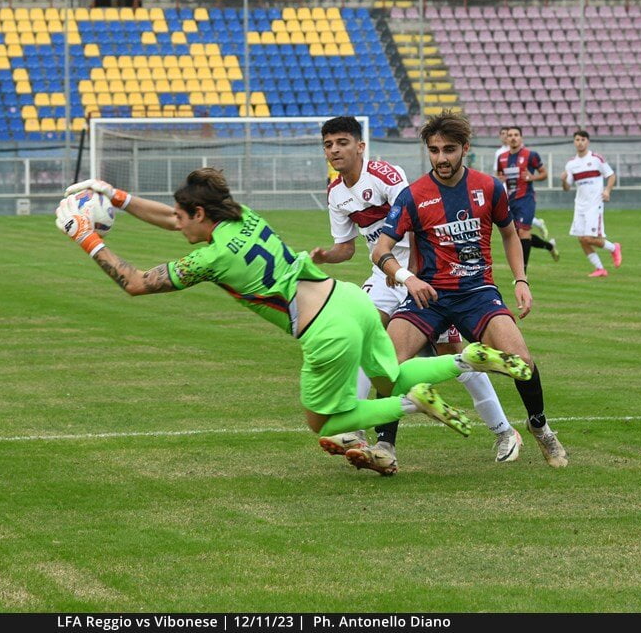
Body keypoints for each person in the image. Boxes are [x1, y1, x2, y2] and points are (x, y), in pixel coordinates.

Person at [56, 169, 534, 469]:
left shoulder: (209, 260)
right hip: (348, 299)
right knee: (388, 372)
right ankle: (466, 358)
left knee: (324, 423)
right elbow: (173, 219)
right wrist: (114, 196)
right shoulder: (241, 216)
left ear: (199, 212)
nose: (177, 223)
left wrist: (85, 236)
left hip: (324, 329)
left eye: (185, 215)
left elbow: (137, 281)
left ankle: (412, 406)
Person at [310, 116, 521, 475]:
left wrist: (410, 276)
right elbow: (345, 249)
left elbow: (418, 218)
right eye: (329, 145)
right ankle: (359, 431)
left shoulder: (385, 176)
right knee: (366, 340)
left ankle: (505, 431)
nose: (335, 151)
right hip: (386, 274)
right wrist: (325, 256)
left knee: (451, 353)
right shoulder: (336, 193)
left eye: (342, 143)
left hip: (427, 274)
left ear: (360, 146)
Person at [373, 110, 568, 468]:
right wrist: (407, 278)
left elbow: (509, 233)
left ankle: (539, 427)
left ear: (465, 148)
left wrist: (520, 280)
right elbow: (380, 250)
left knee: (521, 361)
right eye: (433, 150)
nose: (441, 158)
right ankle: (385, 446)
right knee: (389, 361)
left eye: (448, 149)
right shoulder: (412, 196)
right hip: (428, 295)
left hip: (478, 293)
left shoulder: (489, 187)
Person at [495, 126, 558, 268]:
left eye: (516, 135)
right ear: (506, 138)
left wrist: (532, 177)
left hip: (526, 199)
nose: (513, 137)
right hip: (510, 200)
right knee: (518, 235)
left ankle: (522, 274)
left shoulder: (531, 155)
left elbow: (544, 174)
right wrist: (501, 179)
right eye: (510, 135)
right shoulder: (502, 157)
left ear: (521, 137)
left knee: (523, 232)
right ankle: (549, 246)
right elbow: (500, 176)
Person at [561, 129, 621, 277]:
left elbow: (611, 175)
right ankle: (600, 269)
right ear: (574, 142)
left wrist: (607, 190)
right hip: (580, 205)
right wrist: (563, 180)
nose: (580, 142)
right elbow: (567, 188)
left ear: (587, 142)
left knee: (589, 238)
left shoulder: (596, 159)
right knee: (582, 239)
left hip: (594, 204)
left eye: (582, 140)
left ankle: (614, 248)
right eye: (577, 140)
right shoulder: (571, 164)